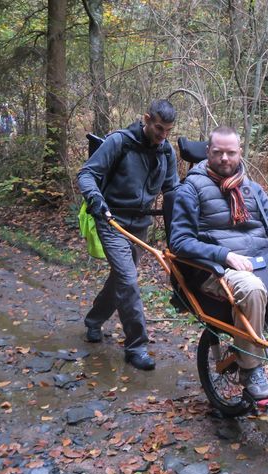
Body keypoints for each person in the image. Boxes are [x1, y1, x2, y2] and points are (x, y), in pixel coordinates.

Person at [169, 126, 268, 399]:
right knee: (252, 287)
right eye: (218, 152)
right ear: (208, 152)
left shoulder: (253, 189)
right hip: (217, 268)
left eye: (230, 153)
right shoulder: (191, 189)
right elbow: (179, 241)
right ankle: (251, 369)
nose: (224, 158)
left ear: (239, 153)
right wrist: (224, 255)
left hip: (262, 260)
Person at [77, 99, 179, 370]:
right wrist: (96, 199)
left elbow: (173, 191)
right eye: (159, 128)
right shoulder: (119, 142)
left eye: (168, 130)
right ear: (146, 119)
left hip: (140, 224)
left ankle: (94, 320)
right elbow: (87, 174)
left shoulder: (166, 152)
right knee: (128, 278)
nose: (163, 136)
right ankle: (136, 346)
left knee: (121, 279)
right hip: (111, 221)